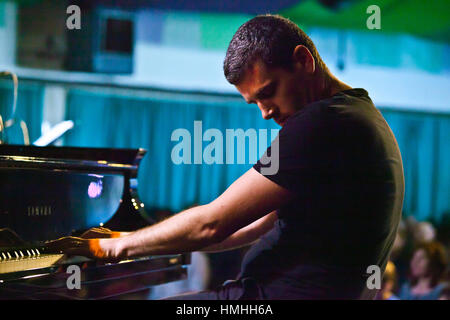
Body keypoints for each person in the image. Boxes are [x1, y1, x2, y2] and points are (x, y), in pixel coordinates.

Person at [46, 14, 405, 300]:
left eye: (269, 93)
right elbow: (245, 226)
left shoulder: (323, 122)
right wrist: (145, 242)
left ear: (302, 60)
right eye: (255, 103)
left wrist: (115, 247)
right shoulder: (358, 114)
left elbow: (211, 224)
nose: (265, 113)